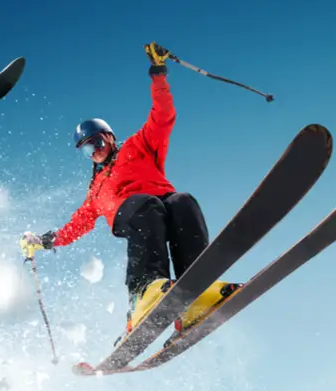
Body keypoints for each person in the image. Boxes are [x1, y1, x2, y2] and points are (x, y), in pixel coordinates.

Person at [20, 42, 240, 345]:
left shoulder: (139, 145)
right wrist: (46, 241)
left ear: (109, 137)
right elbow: (77, 225)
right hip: (133, 212)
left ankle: (196, 290)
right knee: (145, 205)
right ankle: (143, 292)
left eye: (96, 143)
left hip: (161, 201)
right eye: (86, 150)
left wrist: (158, 75)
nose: (94, 153)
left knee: (182, 202)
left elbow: (163, 116)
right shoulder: (96, 190)